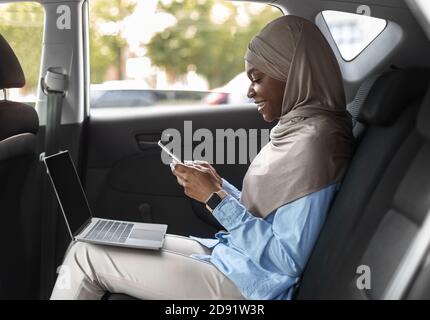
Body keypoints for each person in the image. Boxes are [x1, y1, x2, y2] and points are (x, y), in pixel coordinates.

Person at [50, 15, 353, 300]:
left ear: (293, 74)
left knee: (85, 256)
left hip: (253, 285)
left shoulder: (315, 143)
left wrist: (215, 200)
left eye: (257, 78)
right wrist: (218, 187)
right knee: (91, 242)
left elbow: (286, 261)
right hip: (235, 256)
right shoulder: (296, 131)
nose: (250, 92)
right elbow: (270, 215)